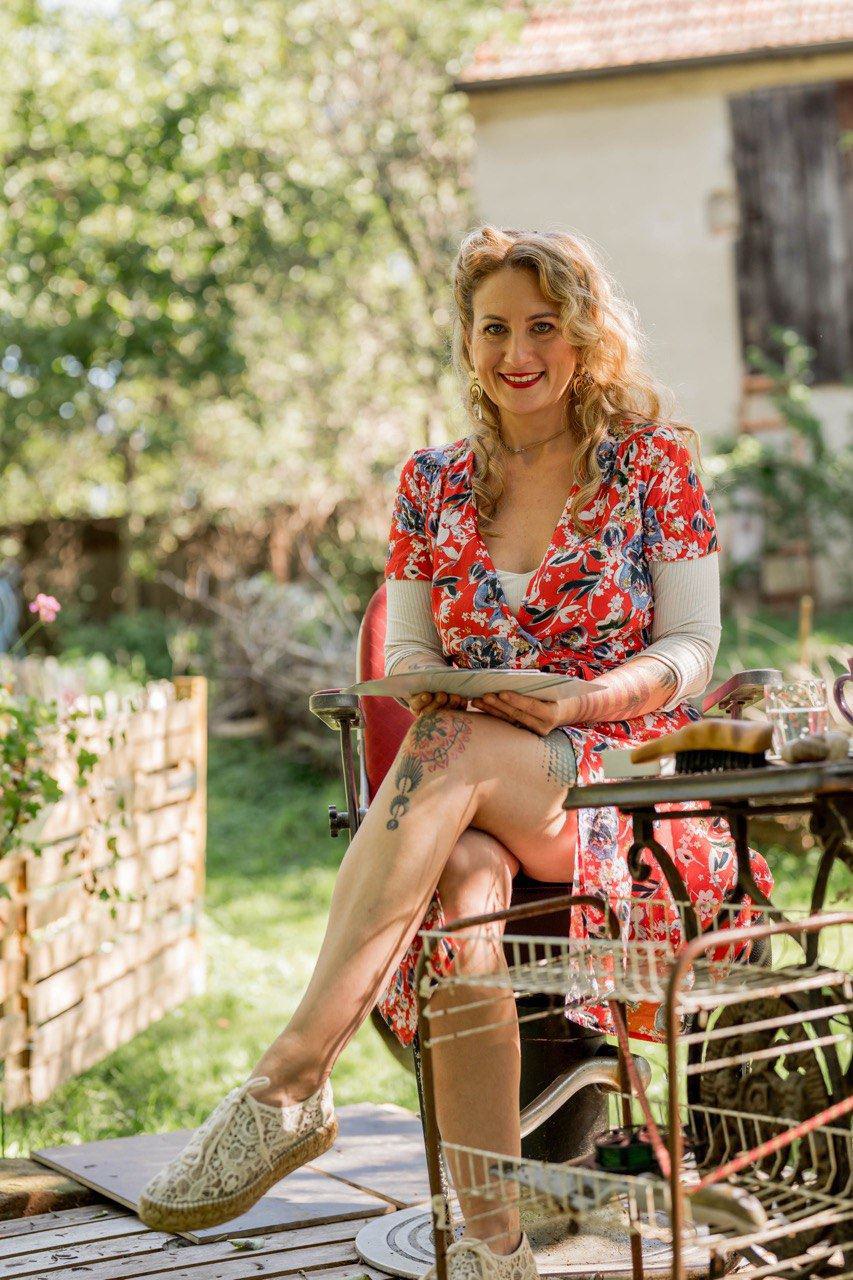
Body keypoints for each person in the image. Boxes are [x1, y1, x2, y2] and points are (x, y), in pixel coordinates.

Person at [138, 226, 772, 1279]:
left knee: (450, 751)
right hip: (476, 782)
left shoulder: (652, 464)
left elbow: (690, 646)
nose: (516, 352)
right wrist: (437, 682)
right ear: (466, 340)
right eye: (493, 329)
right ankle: (492, 1245)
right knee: (465, 891)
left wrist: (583, 697)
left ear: (584, 336)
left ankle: (289, 1079)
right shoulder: (431, 482)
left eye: (542, 326)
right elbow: (410, 647)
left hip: (614, 788)